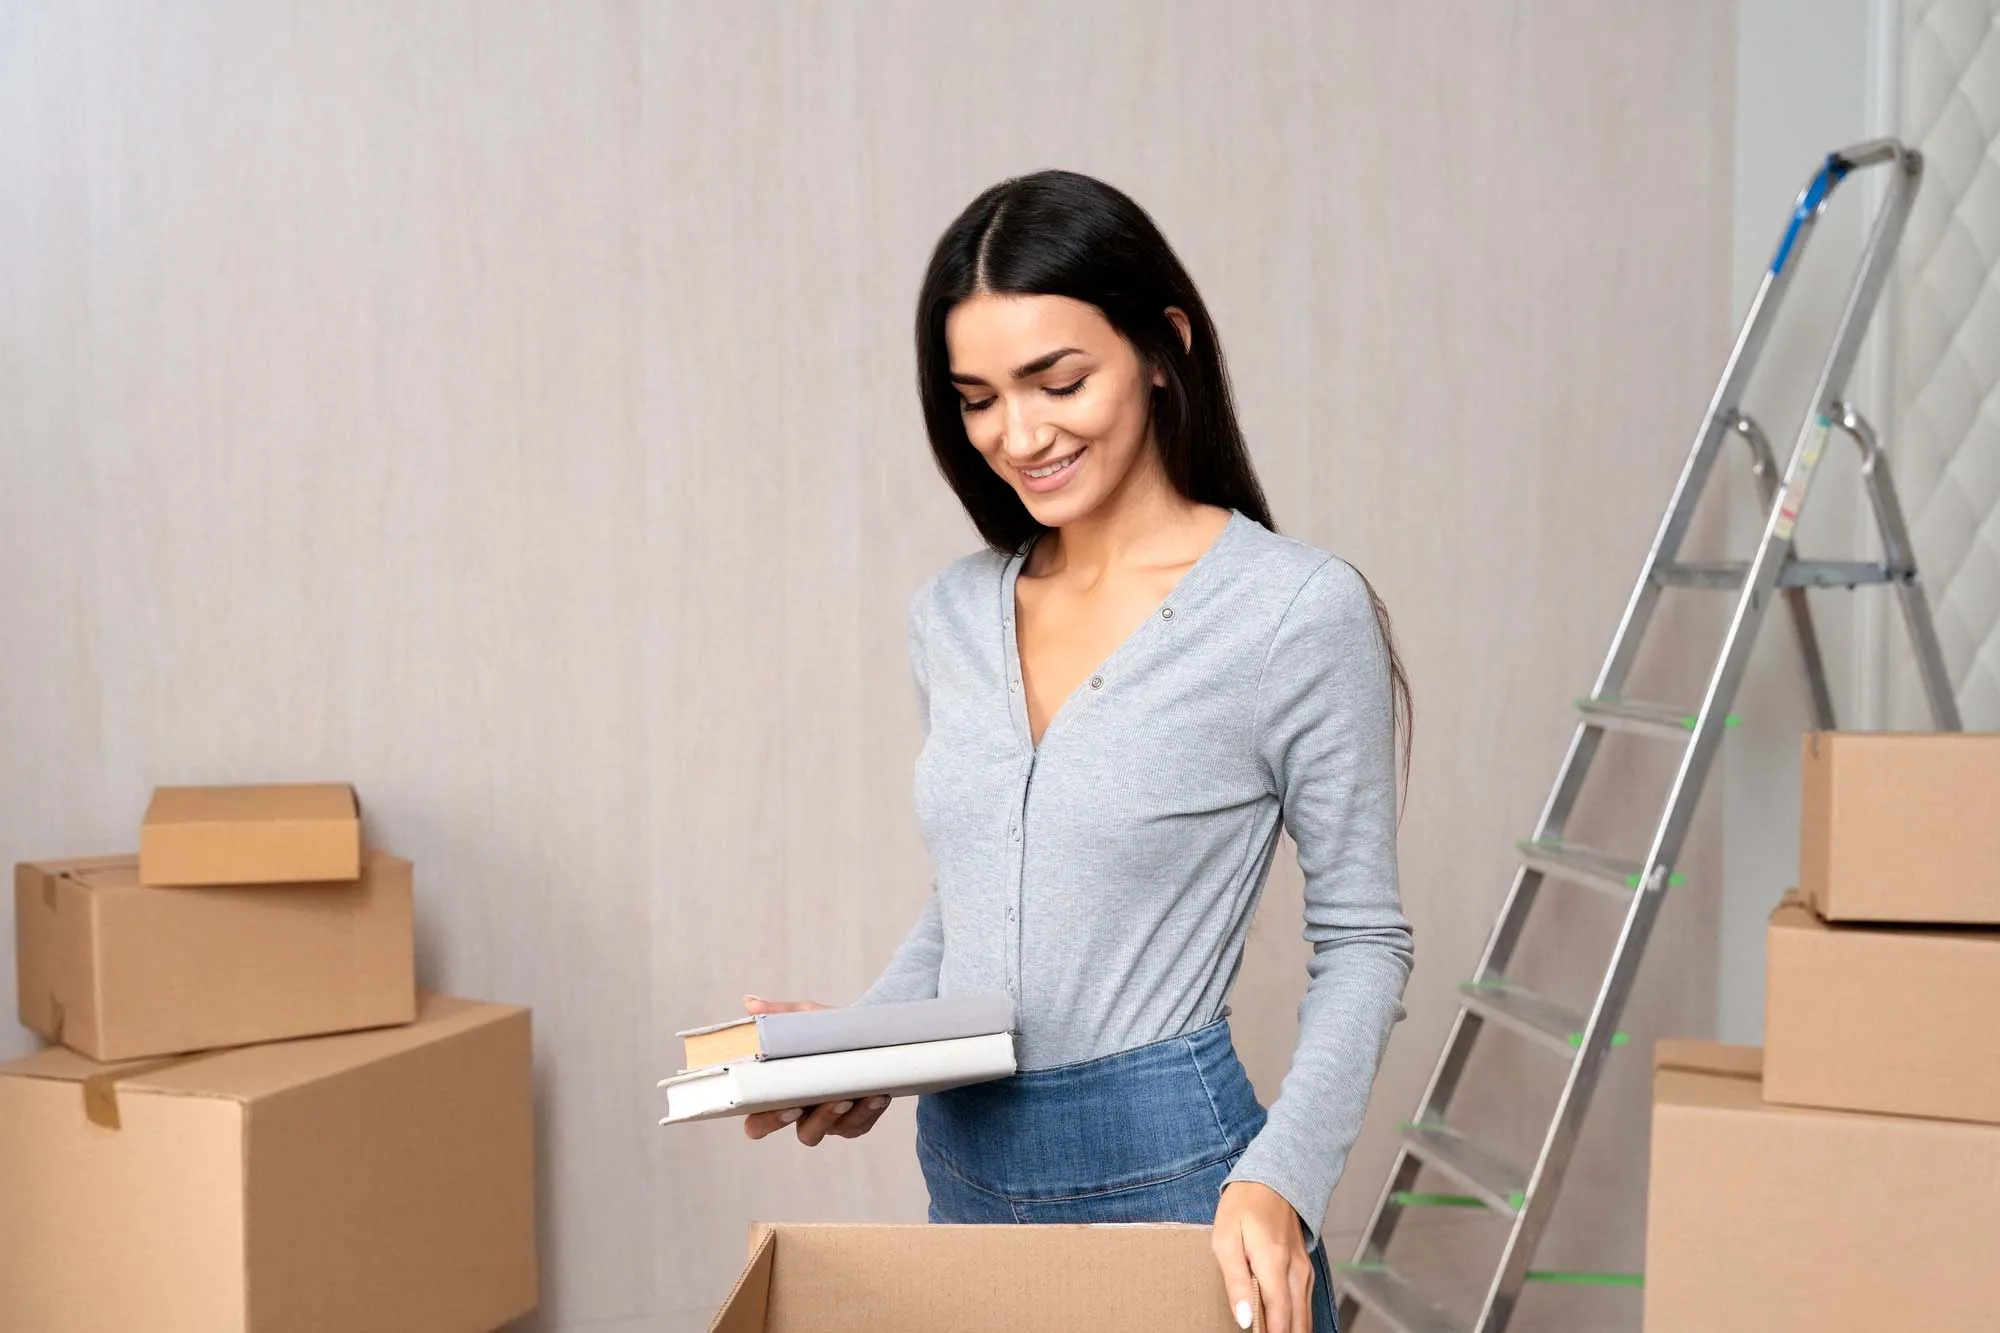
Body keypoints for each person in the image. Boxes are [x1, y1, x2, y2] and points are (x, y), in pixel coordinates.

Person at [741, 169, 1414, 1333]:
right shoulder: (949, 617)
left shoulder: (1292, 611)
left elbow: (1363, 943)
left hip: (1182, 1183)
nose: (1020, 434)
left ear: (1163, 348)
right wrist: (862, 1049)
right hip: (963, 1159)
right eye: (977, 399)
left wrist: (1278, 1177)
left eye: (1058, 381)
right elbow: (973, 908)